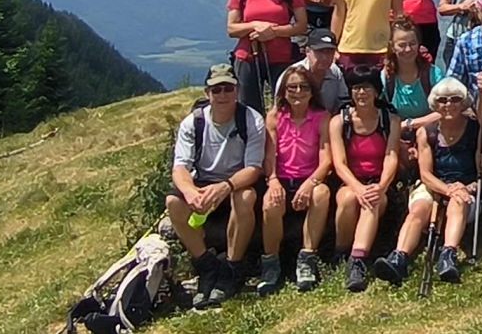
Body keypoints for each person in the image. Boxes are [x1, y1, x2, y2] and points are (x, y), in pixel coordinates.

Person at [166, 63, 267, 310]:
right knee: (173, 203)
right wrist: (190, 192)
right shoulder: (193, 123)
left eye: (228, 88)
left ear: (237, 90)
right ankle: (206, 266)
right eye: (217, 89)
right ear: (207, 93)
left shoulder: (251, 120)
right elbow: (180, 167)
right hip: (202, 184)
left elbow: (254, 168)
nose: (223, 95)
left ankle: (233, 268)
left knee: (245, 199)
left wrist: (226, 186)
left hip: (236, 182)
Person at [378, 77, 480, 286]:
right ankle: (400, 258)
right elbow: (425, 174)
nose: (448, 105)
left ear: (463, 102)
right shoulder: (426, 132)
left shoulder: (476, 129)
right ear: (435, 104)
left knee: (458, 203)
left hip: (465, 187)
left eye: (454, 99)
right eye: (442, 100)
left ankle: (448, 255)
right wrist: (448, 189)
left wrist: (467, 187)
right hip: (434, 183)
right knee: (418, 210)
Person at [257, 63, 333, 295]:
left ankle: (307, 258)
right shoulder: (275, 117)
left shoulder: (321, 117)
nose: (298, 92)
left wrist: (311, 184)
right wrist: (272, 181)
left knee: (322, 195)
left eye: (303, 87)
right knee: (271, 203)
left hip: (309, 178)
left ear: (312, 91)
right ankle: (271, 262)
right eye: (292, 88)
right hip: (280, 178)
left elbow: (327, 159)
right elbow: (269, 155)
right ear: (284, 92)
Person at [329, 70, 401, 292]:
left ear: (376, 91)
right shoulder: (339, 122)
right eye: (356, 88)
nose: (361, 92)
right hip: (351, 181)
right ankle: (342, 250)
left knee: (373, 201)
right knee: (349, 199)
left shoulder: (390, 120)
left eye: (367, 87)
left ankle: (357, 261)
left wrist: (381, 187)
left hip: (379, 182)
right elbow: (339, 163)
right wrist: (358, 187)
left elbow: (392, 156)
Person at [226, 0, 308, 113]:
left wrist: (273, 32)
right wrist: (255, 26)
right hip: (247, 58)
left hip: (282, 58)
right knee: (248, 110)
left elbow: (302, 26)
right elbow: (231, 28)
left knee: (285, 108)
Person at [382, 17, 446, 135]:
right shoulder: (385, 77)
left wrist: (410, 124)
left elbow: (446, 111)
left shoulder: (433, 74)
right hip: (396, 135)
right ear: (392, 46)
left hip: (429, 133)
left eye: (412, 44)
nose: (407, 49)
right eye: (402, 45)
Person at [300, 28, 350, 112]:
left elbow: (343, 102)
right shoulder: (292, 75)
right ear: (307, 51)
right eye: (320, 52)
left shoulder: (335, 71)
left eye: (329, 52)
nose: (325, 57)